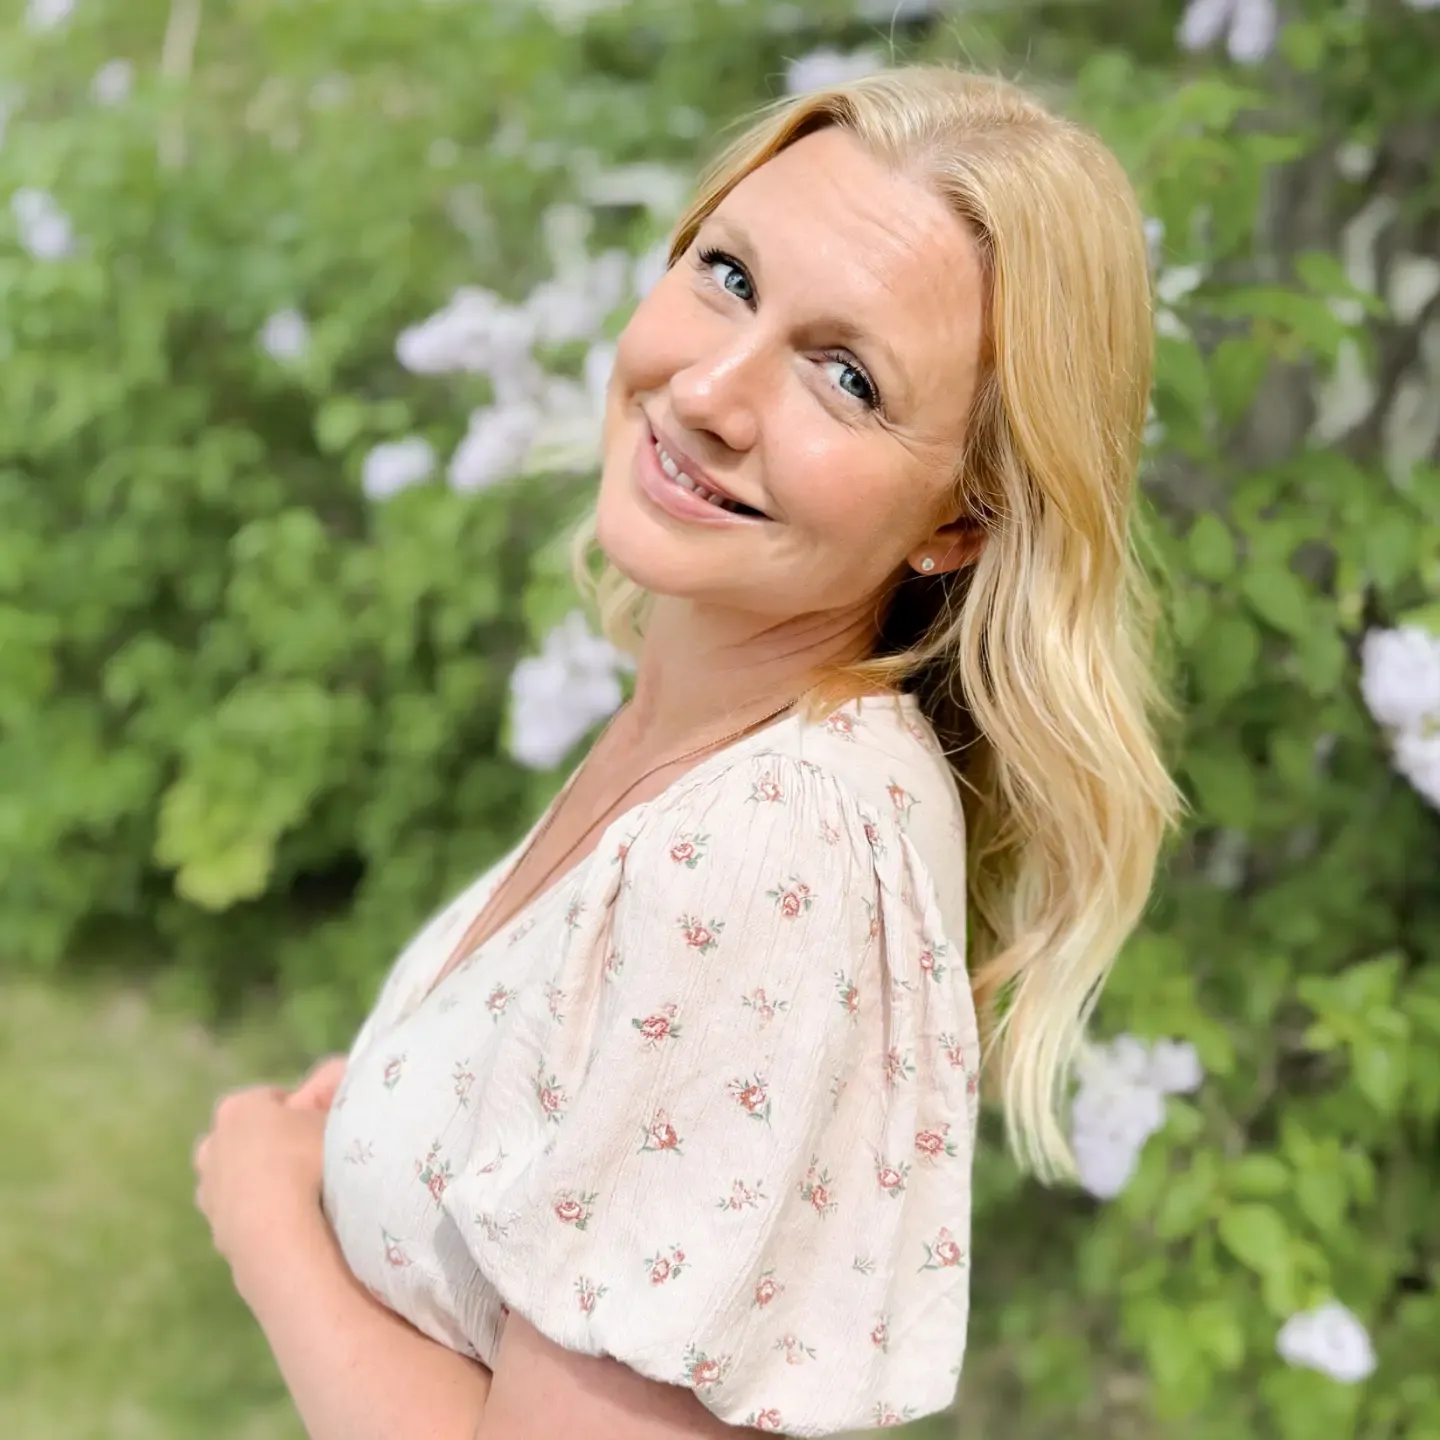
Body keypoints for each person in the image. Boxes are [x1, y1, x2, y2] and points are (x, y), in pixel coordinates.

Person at [193, 64, 1183, 1440]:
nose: (712, 390)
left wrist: (266, 1224)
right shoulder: (709, 723)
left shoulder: (774, 843)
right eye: (727, 276)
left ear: (961, 521)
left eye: (846, 378)